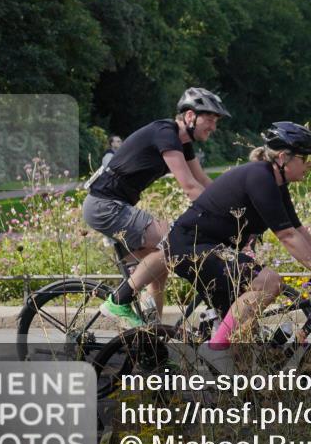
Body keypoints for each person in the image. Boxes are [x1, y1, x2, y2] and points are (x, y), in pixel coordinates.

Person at [167, 121, 311, 369]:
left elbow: (298, 230)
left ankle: (236, 396)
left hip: (212, 249)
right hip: (191, 247)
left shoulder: (276, 183)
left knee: (245, 339)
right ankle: (215, 349)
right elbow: (286, 235)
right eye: (305, 158)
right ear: (284, 157)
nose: (309, 164)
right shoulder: (260, 177)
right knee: (268, 281)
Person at [82, 88, 231, 326]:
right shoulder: (165, 133)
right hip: (105, 205)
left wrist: (233, 206)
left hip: (113, 205)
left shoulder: (183, 143)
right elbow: (190, 187)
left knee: (159, 265)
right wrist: (224, 219)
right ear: (190, 116)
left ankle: (152, 337)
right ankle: (118, 302)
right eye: (210, 120)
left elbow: (203, 181)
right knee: (173, 244)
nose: (213, 127)